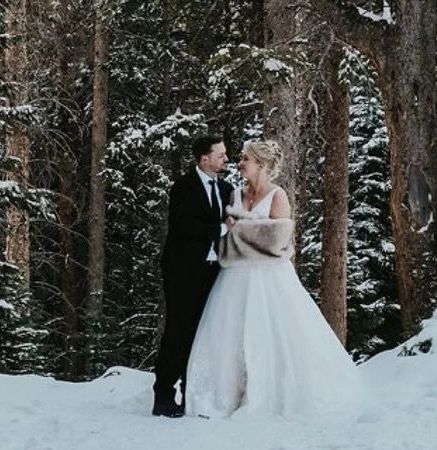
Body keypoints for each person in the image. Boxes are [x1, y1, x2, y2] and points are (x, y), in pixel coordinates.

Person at [184, 138, 361, 419]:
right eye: (240, 158)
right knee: (231, 334)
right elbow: (227, 234)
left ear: (261, 165)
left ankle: (273, 391)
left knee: (272, 332)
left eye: (245, 159)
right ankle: (229, 394)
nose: (239, 163)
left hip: (269, 277)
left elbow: (278, 242)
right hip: (234, 277)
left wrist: (241, 235)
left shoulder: (277, 196)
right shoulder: (235, 195)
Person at [153, 132, 233, 417]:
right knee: (179, 330)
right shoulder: (183, 188)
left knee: (204, 331)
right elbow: (184, 226)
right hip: (183, 271)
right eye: (221, 154)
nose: (226, 158)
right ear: (204, 158)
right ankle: (163, 394)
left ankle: (192, 392)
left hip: (214, 271)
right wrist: (221, 229)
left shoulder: (226, 189)